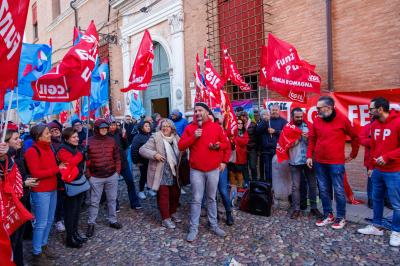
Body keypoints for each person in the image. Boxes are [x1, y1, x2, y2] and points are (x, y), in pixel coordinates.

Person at [307, 96, 360, 230]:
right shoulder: (317, 120)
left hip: (336, 162)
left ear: (329, 107)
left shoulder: (342, 120)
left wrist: (353, 154)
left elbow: (355, 137)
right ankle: (328, 215)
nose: (317, 110)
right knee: (324, 190)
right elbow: (312, 139)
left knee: (338, 190)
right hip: (319, 161)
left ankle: (341, 217)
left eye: (319, 108)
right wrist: (309, 156)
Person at [178, 102, 229, 242]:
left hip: (213, 169)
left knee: (212, 198)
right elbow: (181, 145)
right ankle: (193, 228)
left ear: (207, 112)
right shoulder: (190, 128)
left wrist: (219, 148)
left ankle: (213, 225)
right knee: (196, 199)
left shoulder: (216, 127)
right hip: (196, 170)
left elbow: (226, 144)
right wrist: (194, 136)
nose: (197, 113)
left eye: (200, 110)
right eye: (195, 111)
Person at [357, 97, 400, 247]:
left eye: (371, 109)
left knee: (397, 204)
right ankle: (377, 226)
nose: (369, 112)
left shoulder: (398, 122)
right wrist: (371, 166)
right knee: (377, 199)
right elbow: (373, 148)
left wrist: (387, 157)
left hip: (395, 171)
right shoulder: (374, 125)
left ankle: (396, 232)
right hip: (377, 170)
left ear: (380, 109)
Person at [24, 125, 64, 262]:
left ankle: (43, 244)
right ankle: (36, 253)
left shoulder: (49, 147)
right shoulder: (32, 151)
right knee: (41, 223)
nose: (49, 135)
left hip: (52, 189)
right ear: (38, 136)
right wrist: (56, 169)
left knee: (49, 220)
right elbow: (36, 173)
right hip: (41, 191)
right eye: (47, 133)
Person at [139, 119, 182, 229]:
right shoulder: (156, 137)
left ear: (172, 128)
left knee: (175, 194)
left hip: (174, 171)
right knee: (163, 196)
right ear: (160, 127)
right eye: (163, 126)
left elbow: (183, 148)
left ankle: (172, 212)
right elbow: (142, 150)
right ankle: (165, 218)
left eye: (168, 126)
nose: (165, 128)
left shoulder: (176, 137)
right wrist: (154, 154)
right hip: (161, 171)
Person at [5, 126, 37, 266]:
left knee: (19, 240)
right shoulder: (7, 160)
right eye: (16, 139)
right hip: (12, 206)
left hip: (23, 201)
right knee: (12, 240)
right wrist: (24, 183)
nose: (20, 141)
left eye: (19, 138)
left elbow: (22, 175)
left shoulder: (19, 155)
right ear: (6, 142)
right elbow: (6, 184)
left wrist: (27, 180)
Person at [85, 119, 122, 238]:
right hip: (95, 177)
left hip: (111, 175)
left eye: (106, 128)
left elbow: (117, 157)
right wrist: (89, 175)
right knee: (94, 201)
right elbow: (84, 161)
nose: (104, 130)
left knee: (112, 199)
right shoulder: (87, 142)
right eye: (102, 128)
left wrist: (117, 171)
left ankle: (112, 220)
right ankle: (91, 223)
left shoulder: (111, 141)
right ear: (96, 129)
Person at [285, 108, 322, 219]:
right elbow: (285, 144)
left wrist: (308, 138)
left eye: (301, 116)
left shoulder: (309, 126)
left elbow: (315, 141)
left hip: (308, 160)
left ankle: (314, 208)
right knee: (296, 187)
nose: (300, 118)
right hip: (294, 161)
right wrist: (297, 139)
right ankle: (296, 209)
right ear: (292, 117)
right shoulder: (287, 128)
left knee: (312, 185)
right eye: (297, 117)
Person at [56, 127, 88, 248]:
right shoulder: (62, 149)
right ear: (66, 138)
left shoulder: (76, 147)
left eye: (77, 136)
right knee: (70, 213)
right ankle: (70, 238)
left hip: (78, 181)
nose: (77, 139)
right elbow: (70, 163)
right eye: (73, 137)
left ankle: (75, 233)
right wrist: (81, 154)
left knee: (77, 211)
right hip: (69, 184)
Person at [108, 118, 142, 210]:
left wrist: (124, 137)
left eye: (114, 125)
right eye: (111, 125)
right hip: (112, 164)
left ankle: (134, 203)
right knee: (112, 186)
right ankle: (115, 205)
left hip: (123, 162)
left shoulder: (119, 133)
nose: (113, 127)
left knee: (130, 181)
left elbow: (125, 145)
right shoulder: (105, 136)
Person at [256, 104, 287, 183]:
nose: (274, 112)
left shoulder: (283, 121)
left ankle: (277, 186)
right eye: (273, 110)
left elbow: (286, 133)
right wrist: (264, 121)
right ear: (270, 111)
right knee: (268, 169)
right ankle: (268, 186)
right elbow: (257, 131)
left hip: (278, 150)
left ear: (279, 111)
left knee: (278, 169)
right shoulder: (267, 120)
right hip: (266, 150)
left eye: (276, 110)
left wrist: (275, 131)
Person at [48, 121, 66, 233]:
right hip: (58, 176)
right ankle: (58, 220)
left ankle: (63, 218)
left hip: (67, 175)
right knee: (58, 201)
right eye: (52, 130)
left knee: (65, 199)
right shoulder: (50, 145)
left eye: (56, 130)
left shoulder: (64, 141)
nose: (55, 132)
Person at [131, 121, 153, 199]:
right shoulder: (137, 137)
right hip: (142, 161)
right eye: (146, 126)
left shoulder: (150, 135)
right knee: (143, 176)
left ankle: (149, 189)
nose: (148, 127)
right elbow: (134, 150)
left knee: (150, 175)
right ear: (141, 128)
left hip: (150, 160)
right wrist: (136, 161)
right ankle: (141, 191)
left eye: (149, 126)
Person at [228, 119, 249, 189]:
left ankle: (240, 189)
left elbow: (245, 142)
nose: (239, 124)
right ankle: (233, 189)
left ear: (243, 125)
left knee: (239, 173)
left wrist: (235, 139)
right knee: (231, 172)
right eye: (238, 123)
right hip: (232, 155)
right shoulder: (232, 131)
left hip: (240, 156)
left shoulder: (245, 132)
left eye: (240, 123)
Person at [239, 111, 257, 183]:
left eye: (243, 116)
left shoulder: (253, 124)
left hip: (252, 149)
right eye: (241, 117)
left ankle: (254, 181)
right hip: (244, 149)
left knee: (253, 166)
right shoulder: (241, 126)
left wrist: (257, 149)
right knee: (244, 166)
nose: (242, 118)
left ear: (247, 116)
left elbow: (257, 137)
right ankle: (247, 181)